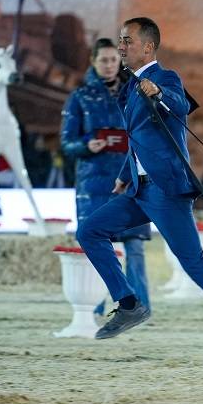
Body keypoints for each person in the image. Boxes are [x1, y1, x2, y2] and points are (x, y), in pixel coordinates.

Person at [76, 17, 203, 365]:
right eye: (120, 40)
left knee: (195, 265)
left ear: (148, 47)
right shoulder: (130, 86)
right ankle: (130, 304)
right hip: (138, 189)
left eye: (127, 40)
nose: (121, 46)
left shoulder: (165, 78)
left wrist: (160, 93)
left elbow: (179, 105)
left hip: (165, 192)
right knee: (89, 230)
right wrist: (124, 175)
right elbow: (138, 139)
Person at [61, 38, 151, 318]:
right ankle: (99, 308)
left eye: (114, 59)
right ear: (93, 61)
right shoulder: (79, 98)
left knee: (135, 248)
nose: (110, 65)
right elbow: (67, 143)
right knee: (101, 248)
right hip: (95, 183)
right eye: (104, 60)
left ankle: (141, 308)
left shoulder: (136, 91)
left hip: (132, 181)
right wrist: (87, 145)